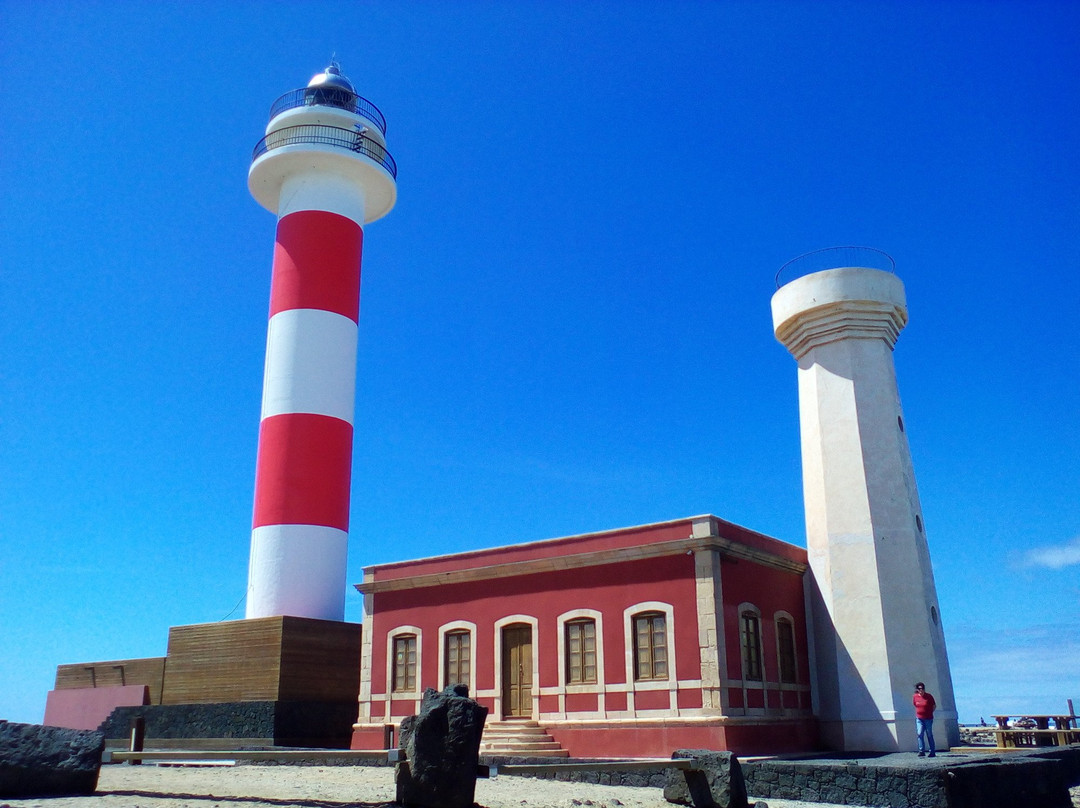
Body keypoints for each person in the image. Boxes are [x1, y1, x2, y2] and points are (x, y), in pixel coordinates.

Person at [913, 682, 937, 757]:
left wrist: (929, 712)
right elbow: (915, 704)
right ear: (917, 689)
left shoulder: (929, 696)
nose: (921, 690)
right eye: (920, 688)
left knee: (929, 734)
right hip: (919, 718)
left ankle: (932, 751)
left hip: (928, 718)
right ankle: (921, 751)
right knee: (920, 733)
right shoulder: (915, 697)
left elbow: (934, 706)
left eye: (923, 688)